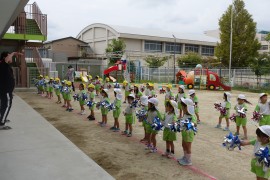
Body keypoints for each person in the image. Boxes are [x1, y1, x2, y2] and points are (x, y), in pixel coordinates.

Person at [0, 51, 23, 130]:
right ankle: (2, 123)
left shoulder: (4, 65)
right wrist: (13, 53)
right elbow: (6, 59)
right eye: (9, 56)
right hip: (6, 90)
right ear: (5, 57)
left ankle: (2, 118)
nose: (11, 58)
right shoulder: (3, 63)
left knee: (4, 105)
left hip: (6, 90)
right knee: (7, 105)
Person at [178, 98, 197, 166]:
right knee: (184, 145)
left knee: (188, 147)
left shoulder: (192, 116)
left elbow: (195, 123)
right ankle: (185, 157)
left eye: (184, 107)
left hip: (189, 134)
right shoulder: (185, 114)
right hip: (184, 133)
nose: (182, 108)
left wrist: (188, 124)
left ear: (188, 107)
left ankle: (188, 161)